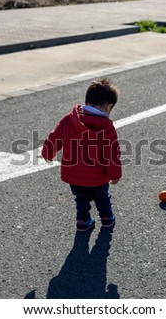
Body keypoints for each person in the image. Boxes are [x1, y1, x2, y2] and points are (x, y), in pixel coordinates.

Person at [41, 78, 122, 231]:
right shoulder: (107, 127)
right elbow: (112, 155)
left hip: (74, 175)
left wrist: (47, 153)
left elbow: (54, 137)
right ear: (108, 107)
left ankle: (83, 221)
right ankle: (107, 218)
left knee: (81, 199)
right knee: (102, 198)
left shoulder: (69, 119)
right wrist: (114, 175)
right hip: (98, 177)